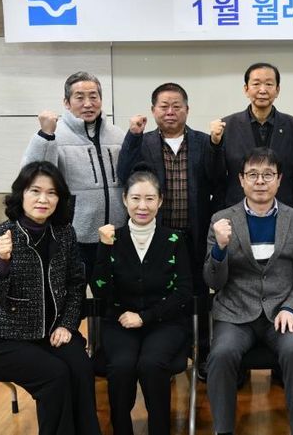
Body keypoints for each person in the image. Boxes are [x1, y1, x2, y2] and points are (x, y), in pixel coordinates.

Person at [0, 161, 100, 435]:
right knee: (55, 375)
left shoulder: (64, 233)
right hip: (7, 340)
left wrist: (67, 325)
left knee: (81, 368)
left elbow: (76, 284)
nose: (43, 199)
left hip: (52, 333)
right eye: (35, 191)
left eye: (52, 193)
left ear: (59, 199)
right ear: (21, 194)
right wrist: (2, 261)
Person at [204, 147, 293, 435]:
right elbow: (213, 282)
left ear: (279, 180)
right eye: (252, 174)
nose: (260, 181)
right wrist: (220, 248)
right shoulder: (221, 220)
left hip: (281, 313)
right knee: (221, 354)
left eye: (268, 175)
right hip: (235, 314)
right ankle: (223, 430)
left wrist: (291, 307)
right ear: (241, 179)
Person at [117, 82, 220, 377]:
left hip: (195, 234)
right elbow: (124, 175)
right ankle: (170, 352)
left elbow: (217, 179)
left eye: (177, 106)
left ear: (187, 109)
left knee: (199, 292)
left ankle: (202, 351)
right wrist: (133, 136)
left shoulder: (203, 142)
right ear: (153, 110)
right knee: (163, 294)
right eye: (164, 106)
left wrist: (216, 145)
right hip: (158, 237)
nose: (170, 111)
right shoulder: (144, 142)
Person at [91, 164, 192, 435]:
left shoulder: (174, 239)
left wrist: (145, 317)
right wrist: (104, 249)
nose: (142, 206)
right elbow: (100, 290)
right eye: (135, 198)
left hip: (165, 322)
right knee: (121, 366)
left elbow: (183, 291)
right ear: (125, 200)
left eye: (150, 198)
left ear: (160, 201)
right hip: (119, 322)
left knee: (152, 364)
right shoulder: (112, 238)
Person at [22, 71, 126, 282]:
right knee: (74, 295)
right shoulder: (54, 134)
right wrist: (45, 135)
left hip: (116, 234)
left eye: (93, 96)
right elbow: (33, 174)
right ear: (66, 103)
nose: (88, 103)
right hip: (76, 236)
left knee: (113, 294)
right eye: (79, 97)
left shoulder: (118, 135)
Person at [210, 62, 293, 214]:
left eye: (269, 84)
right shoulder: (227, 126)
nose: (262, 90)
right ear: (246, 89)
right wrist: (214, 144)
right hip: (237, 213)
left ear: (277, 90)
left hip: (284, 213)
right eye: (256, 84)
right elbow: (217, 178)